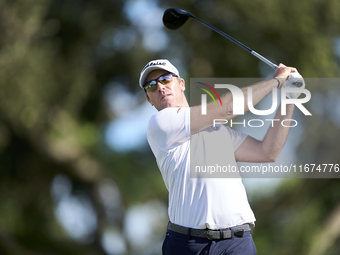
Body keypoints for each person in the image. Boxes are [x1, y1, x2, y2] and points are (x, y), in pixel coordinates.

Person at [139, 59, 297, 255]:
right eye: (152, 86)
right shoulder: (160, 124)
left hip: (237, 243)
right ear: (149, 99)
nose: (160, 88)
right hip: (188, 245)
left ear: (181, 84)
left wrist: (290, 96)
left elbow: (268, 152)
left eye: (165, 80)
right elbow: (228, 107)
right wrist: (276, 82)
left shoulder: (219, 131)